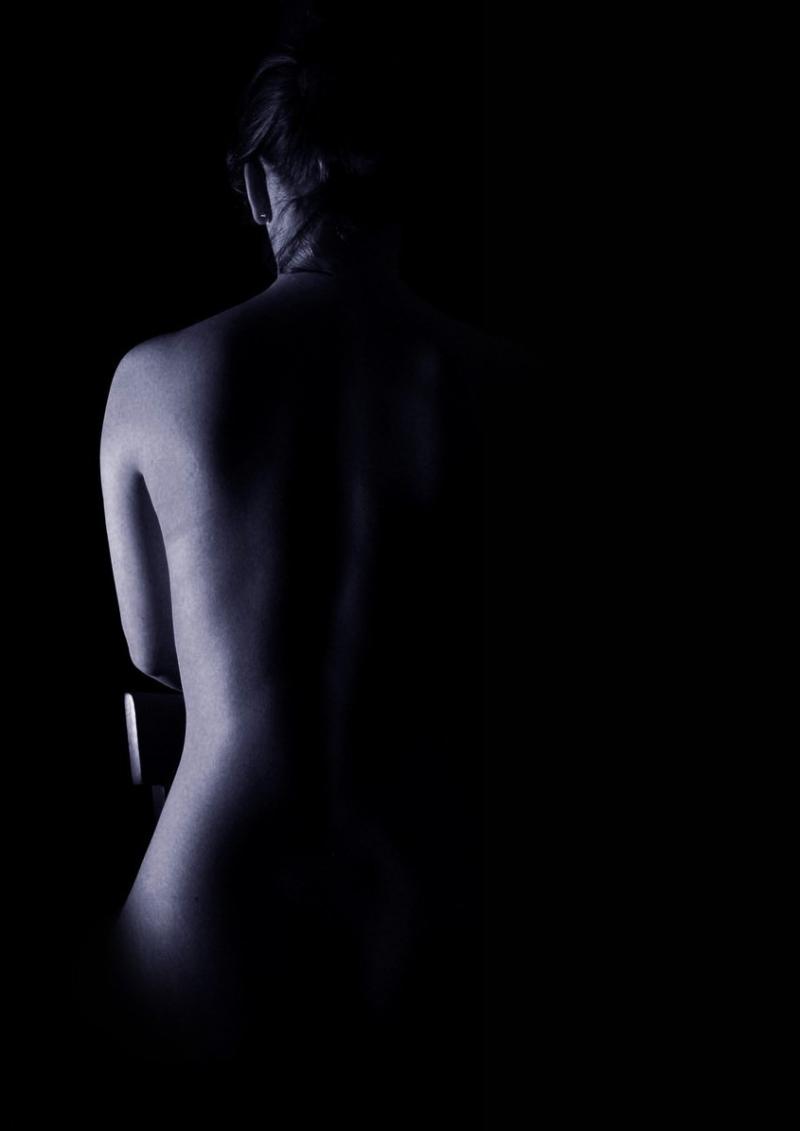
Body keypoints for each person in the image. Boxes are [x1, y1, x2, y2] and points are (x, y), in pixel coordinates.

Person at [98, 21, 528, 1117]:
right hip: (434, 902)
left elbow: (155, 659)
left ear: (256, 185)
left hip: (212, 908)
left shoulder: (153, 380)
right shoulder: (502, 385)